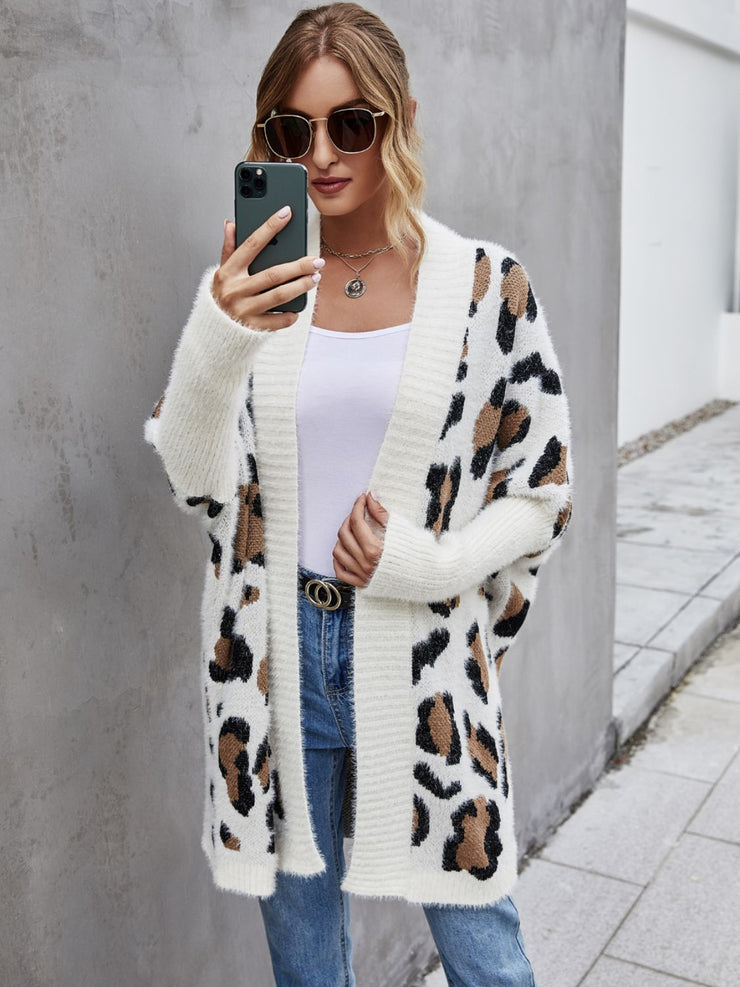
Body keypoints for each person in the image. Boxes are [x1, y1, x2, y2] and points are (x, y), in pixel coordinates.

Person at [144, 3, 574, 984]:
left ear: (401, 119)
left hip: (426, 654)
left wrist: (427, 562)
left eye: (351, 123)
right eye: (294, 130)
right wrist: (217, 334)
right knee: (307, 964)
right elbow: (195, 479)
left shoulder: (485, 285)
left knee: (488, 958)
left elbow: (541, 492)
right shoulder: (252, 287)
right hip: (275, 659)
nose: (324, 154)